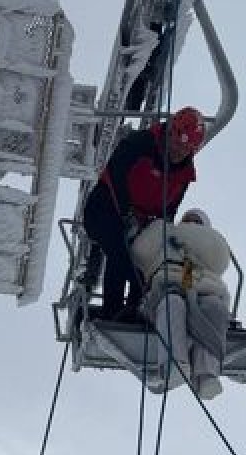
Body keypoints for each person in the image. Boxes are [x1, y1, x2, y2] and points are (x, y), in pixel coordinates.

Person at [80, 106, 205, 321]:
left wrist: (164, 238)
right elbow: (116, 176)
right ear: (170, 133)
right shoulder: (139, 144)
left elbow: (169, 210)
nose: (178, 152)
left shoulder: (184, 175)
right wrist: (127, 212)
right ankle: (113, 310)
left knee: (147, 259)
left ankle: (136, 308)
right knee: (119, 250)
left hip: (139, 221)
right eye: (177, 143)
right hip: (104, 208)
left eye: (186, 149)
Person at [130, 208, 232, 400]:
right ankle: (175, 363)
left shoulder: (209, 250)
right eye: (188, 220)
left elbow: (219, 259)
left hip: (202, 287)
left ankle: (206, 374)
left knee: (213, 307)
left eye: (197, 222)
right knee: (173, 302)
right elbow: (140, 252)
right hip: (168, 285)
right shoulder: (166, 235)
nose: (191, 224)